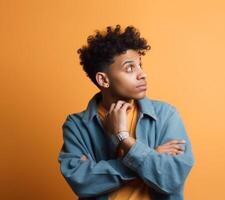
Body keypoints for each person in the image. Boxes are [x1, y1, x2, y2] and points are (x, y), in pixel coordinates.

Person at [58, 24, 195, 200]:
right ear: (103, 79)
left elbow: (171, 178)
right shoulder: (76, 125)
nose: (142, 74)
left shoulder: (165, 115)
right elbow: (82, 182)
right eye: (130, 68)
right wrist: (149, 156)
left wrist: (124, 138)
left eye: (140, 65)